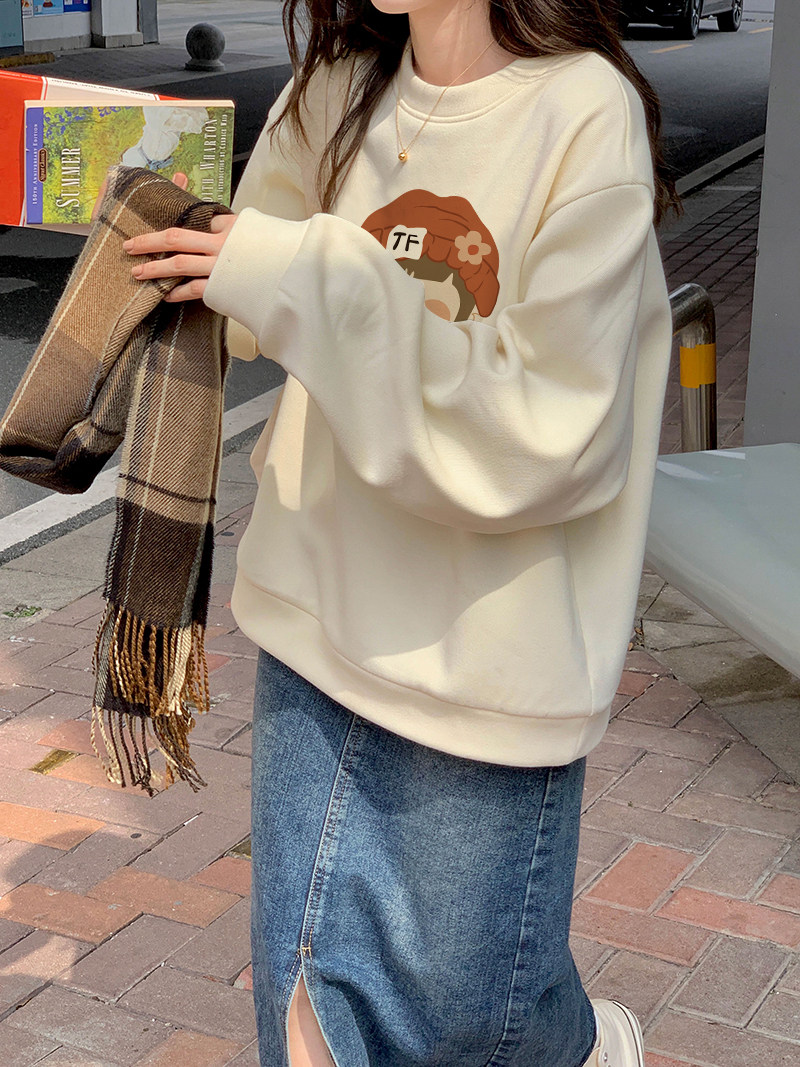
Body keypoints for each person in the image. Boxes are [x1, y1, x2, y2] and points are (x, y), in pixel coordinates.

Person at [121, 0, 678, 1063]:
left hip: (479, 659)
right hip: (315, 616)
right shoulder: (338, 87)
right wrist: (155, 221)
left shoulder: (580, 111)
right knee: (306, 1025)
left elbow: (544, 434)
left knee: (470, 1026)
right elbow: (244, 299)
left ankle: (576, 1046)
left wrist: (304, 275)